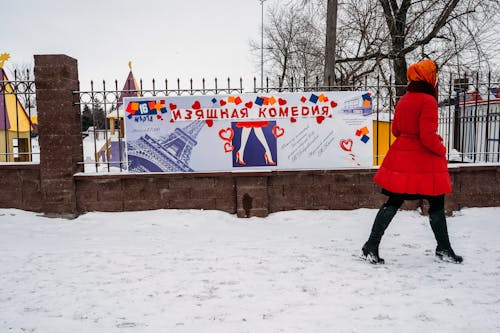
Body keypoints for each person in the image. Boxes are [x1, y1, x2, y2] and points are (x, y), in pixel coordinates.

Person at [361, 59, 463, 264]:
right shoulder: (428, 101)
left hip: (403, 158)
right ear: (429, 77)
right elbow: (427, 136)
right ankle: (443, 248)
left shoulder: (405, 99)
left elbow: (396, 130)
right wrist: (441, 149)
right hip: (423, 161)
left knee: (393, 201)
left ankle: (371, 245)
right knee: (435, 203)